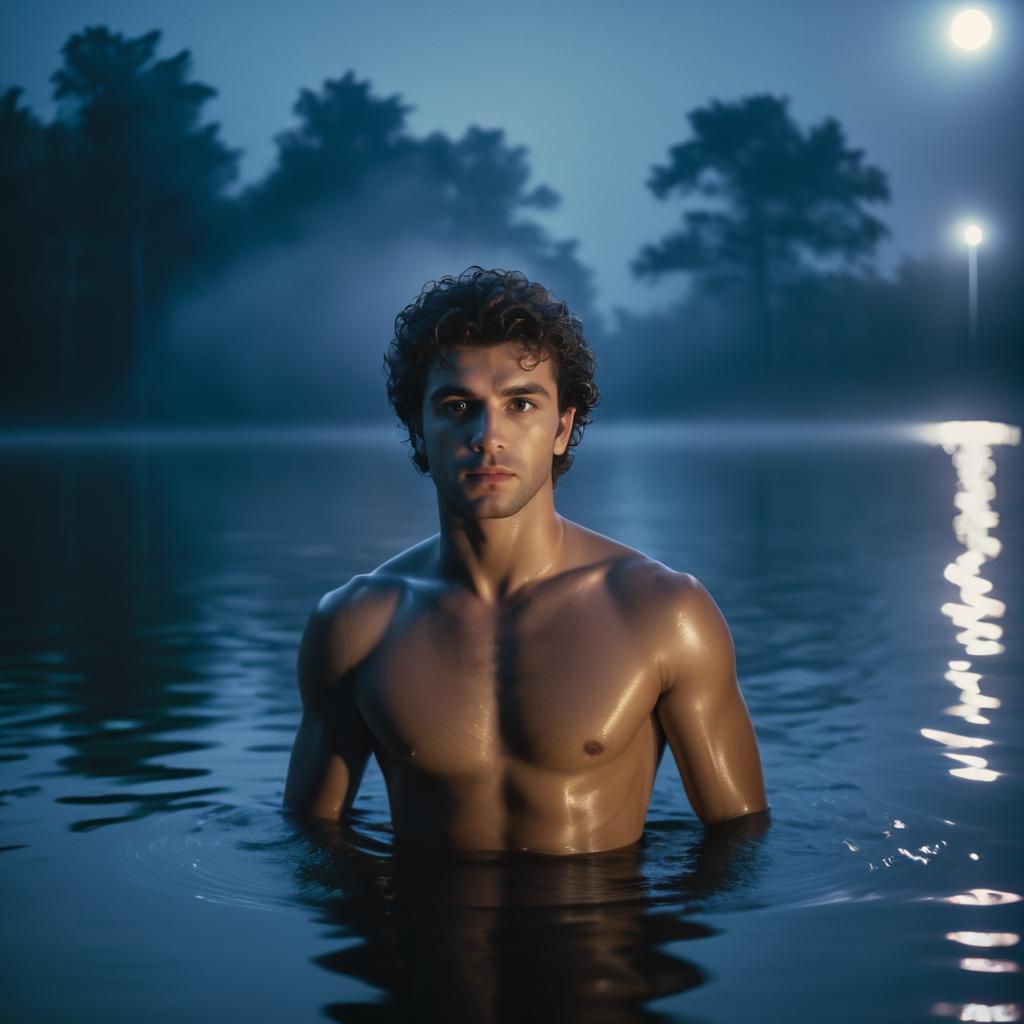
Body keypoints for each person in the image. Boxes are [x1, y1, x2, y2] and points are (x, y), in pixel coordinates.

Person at [283, 266, 767, 854]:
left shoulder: (664, 614)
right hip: (423, 941)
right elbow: (309, 841)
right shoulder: (357, 625)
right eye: (458, 405)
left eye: (520, 404)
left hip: (602, 940)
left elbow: (741, 840)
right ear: (417, 429)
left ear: (562, 427)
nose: (488, 436)